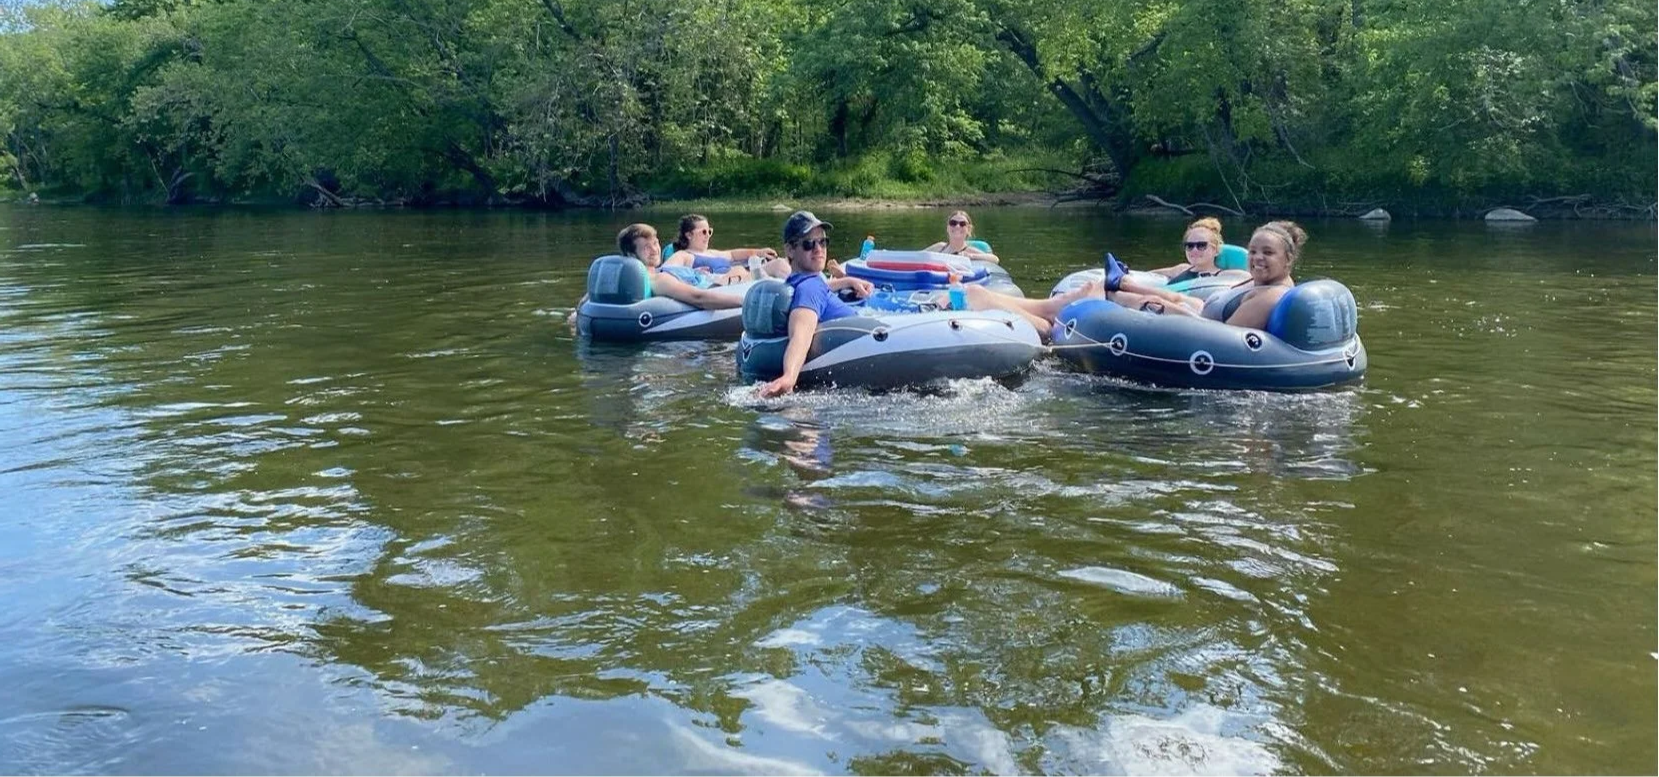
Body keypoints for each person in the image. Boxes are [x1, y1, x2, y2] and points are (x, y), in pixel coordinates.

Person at [962, 220, 1308, 338]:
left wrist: (1160, 308)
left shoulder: (1269, 296)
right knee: (1083, 307)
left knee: (1076, 315)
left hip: (1187, 329)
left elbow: (1223, 339)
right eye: (1253, 251)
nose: (1257, 258)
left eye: (1267, 253)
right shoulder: (1259, 284)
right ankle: (1005, 303)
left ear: (1289, 259)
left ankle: (991, 301)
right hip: (1191, 311)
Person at [759, 211, 876, 397]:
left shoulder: (797, 283)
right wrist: (789, 377)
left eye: (823, 242)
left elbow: (817, 289)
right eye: (809, 244)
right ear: (790, 250)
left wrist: (847, 281)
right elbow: (801, 333)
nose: (818, 249)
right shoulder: (811, 288)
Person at [568, 223, 749, 328]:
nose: (654, 249)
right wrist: (746, 302)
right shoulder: (658, 280)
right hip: (704, 296)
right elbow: (699, 298)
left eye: (655, 243)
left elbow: (584, 305)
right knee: (739, 272)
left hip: (698, 280)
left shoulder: (624, 280)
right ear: (631, 255)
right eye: (646, 247)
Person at [663, 214, 790, 280]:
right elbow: (666, 269)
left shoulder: (712, 252)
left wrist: (760, 252)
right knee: (778, 265)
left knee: (782, 262)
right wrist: (693, 273)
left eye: (709, 231)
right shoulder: (684, 255)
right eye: (703, 232)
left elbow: (733, 254)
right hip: (725, 284)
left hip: (739, 279)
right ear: (689, 235)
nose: (708, 236)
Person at [1143, 216, 1248, 284]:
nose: (1194, 250)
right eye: (1189, 246)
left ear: (1215, 250)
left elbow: (1249, 279)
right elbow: (1145, 275)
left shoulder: (1223, 275)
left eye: (1201, 245)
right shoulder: (1181, 269)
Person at [922, 210, 1000, 263]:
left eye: (962, 224)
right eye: (953, 223)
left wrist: (971, 256)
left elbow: (995, 259)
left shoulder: (969, 251)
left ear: (968, 229)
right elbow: (917, 256)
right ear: (948, 228)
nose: (957, 226)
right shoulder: (939, 247)